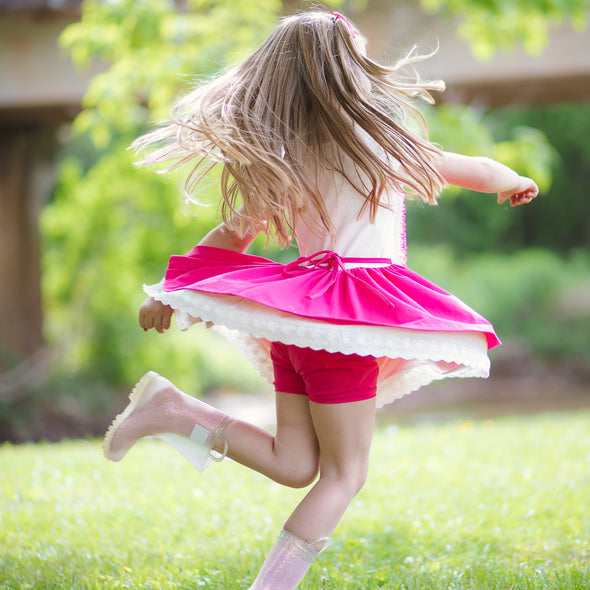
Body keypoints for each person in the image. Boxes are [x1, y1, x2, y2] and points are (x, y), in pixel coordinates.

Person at [103, 10, 538, 589]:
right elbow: (475, 169)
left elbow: (231, 236)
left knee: (296, 463)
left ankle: (174, 411)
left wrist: (173, 288)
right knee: (343, 474)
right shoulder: (379, 145)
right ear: (347, 75)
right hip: (345, 321)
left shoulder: (284, 157)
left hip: (297, 324)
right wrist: (514, 180)